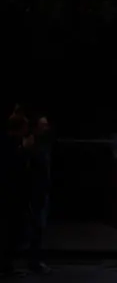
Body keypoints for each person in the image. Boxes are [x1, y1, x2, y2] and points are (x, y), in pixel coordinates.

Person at [21, 116, 52, 274]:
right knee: (36, 226)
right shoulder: (32, 145)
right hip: (35, 191)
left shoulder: (42, 145)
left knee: (39, 227)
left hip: (41, 190)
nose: (46, 128)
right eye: (43, 125)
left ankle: (35, 259)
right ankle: (33, 261)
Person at [1, 107, 29, 278]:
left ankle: (7, 265)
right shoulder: (11, 145)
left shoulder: (14, 144)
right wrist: (23, 151)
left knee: (12, 232)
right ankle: (5, 266)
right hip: (10, 196)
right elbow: (12, 169)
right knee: (9, 232)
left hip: (14, 195)